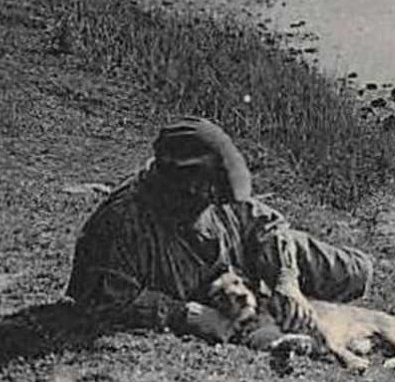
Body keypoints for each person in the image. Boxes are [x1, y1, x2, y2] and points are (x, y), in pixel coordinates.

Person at [66, 117, 373, 341]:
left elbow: (268, 225)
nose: (215, 200)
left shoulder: (216, 196)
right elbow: (104, 301)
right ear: (183, 185)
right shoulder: (120, 224)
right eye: (209, 193)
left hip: (241, 265)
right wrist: (189, 316)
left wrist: (286, 280)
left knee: (356, 271)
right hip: (195, 287)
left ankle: (284, 299)